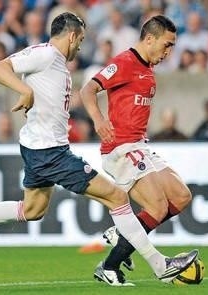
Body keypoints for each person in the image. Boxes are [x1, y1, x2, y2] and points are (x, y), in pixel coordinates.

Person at [0, 12, 197, 286]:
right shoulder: (46, 55)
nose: (80, 46)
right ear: (72, 36)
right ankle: (159, 265)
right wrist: (25, 91)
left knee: (32, 210)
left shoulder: (56, 63)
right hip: (51, 152)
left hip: (39, 148)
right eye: (80, 40)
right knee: (118, 197)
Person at [80, 15, 197, 285]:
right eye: (167, 45)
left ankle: (123, 237)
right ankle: (111, 265)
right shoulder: (124, 62)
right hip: (120, 147)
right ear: (149, 39)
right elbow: (88, 90)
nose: (169, 52)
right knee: (156, 206)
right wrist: (98, 120)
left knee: (181, 197)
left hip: (140, 145)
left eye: (173, 47)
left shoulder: (147, 68)